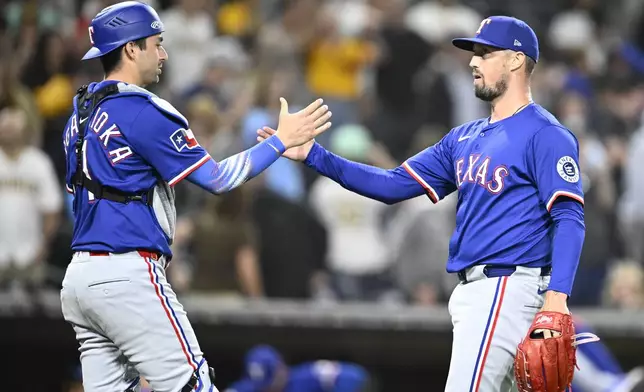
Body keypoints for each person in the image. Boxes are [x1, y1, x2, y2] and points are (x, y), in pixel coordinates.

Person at [259, 16, 588, 391]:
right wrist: (316, 156)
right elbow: (393, 184)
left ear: (516, 60)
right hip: (477, 293)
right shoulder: (464, 137)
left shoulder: (545, 134)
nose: (472, 62)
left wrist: (557, 299)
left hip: (506, 289)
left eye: (484, 52)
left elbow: (569, 217)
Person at [59, 2, 331, 392]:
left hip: (79, 280)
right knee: (194, 386)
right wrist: (282, 142)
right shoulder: (141, 110)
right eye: (156, 43)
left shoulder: (79, 117)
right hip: (127, 273)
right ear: (131, 49)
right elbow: (218, 179)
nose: (164, 53)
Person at [225, 345, 369, 392]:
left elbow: (357, 376)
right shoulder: (252, 387)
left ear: (280, 370)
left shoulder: (306, 376)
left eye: (269, 384)